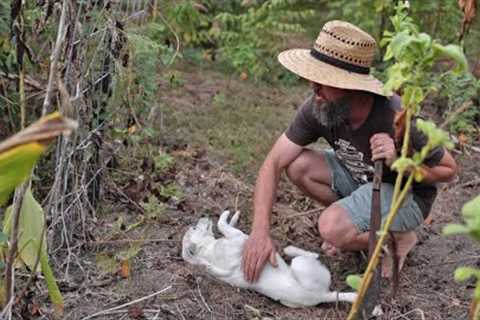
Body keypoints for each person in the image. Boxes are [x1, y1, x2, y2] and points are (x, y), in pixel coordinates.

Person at [241, 20, 457, 282]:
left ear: (352, 86)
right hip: (362, 180)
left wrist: (400, 162)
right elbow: (274, 162)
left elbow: (449, 170)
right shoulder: (319, 107)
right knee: (297, 165)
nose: (314, 88)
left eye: (324, 81)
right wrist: (259, 232)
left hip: (406, 197)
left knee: (330, 227)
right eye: (314, 78)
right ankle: (354, 224)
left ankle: (398, 238)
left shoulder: (395, 115)